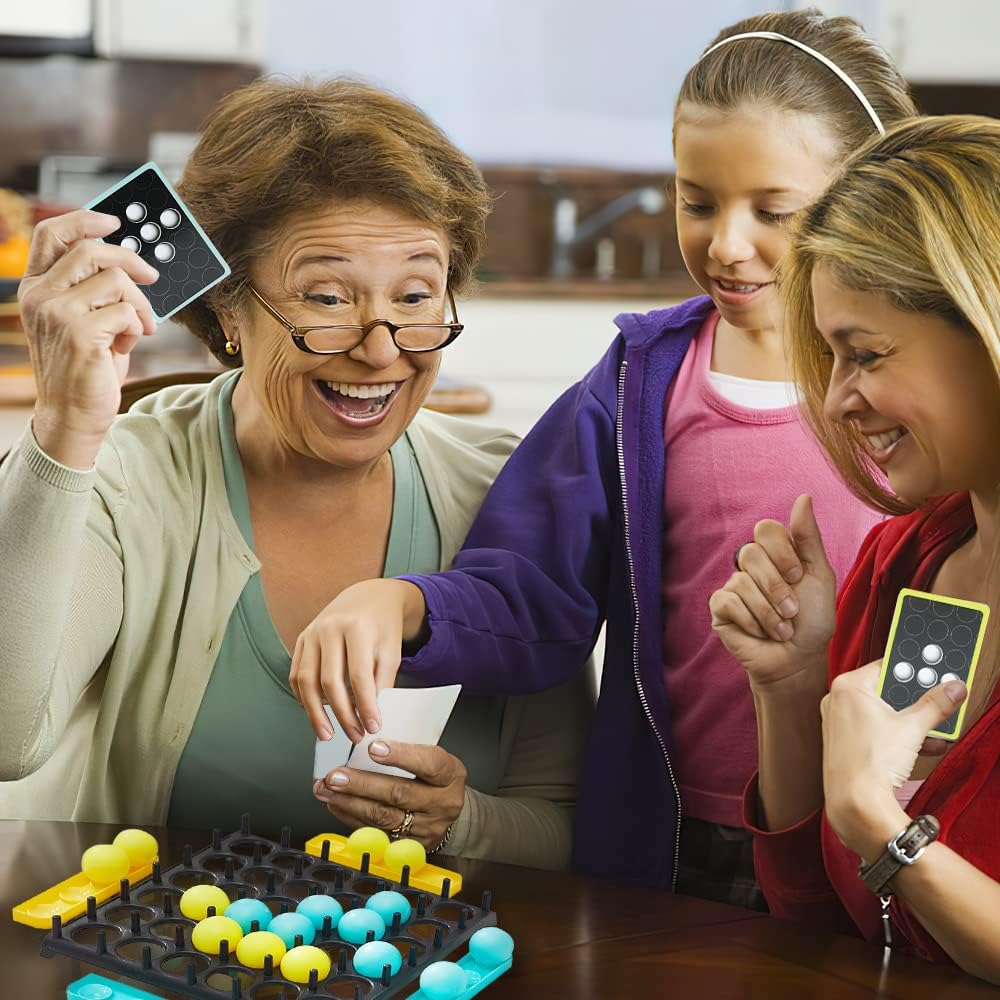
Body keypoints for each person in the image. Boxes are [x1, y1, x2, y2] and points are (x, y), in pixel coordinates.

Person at [288, 10, 916, 904]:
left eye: (774, 210)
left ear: (866, 196)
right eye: (698, 201)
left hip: (889, 833)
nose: (726, 244)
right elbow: (533, 589)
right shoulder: (641, 380)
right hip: (673, 839)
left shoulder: (922, 388)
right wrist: (401, 603)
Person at [0, 77, 592, 871]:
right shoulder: (125, 475)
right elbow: (8, 737)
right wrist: (64, 428)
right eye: (326, 297)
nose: (380, 349)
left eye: (416, 295)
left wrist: (460, 823)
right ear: (229, 311)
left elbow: (568, 832)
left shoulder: (503, 494)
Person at [710, 115, 1000, 981]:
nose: (837, 401)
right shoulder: (911, 569)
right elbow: (824, 911)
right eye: (832, 358)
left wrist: (881, 821)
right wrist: (791, 683)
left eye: (865, 354)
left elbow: (874, 838)